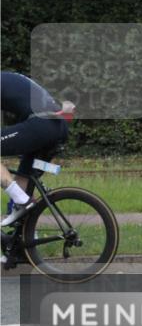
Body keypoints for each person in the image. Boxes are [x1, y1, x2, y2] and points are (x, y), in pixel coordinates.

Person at [1, 71, 73, 263]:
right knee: (23, 177)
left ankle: (23, 201)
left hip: (42, 125)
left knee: (20, 196)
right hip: (57, 127)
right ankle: (22, 245)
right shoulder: (12, 77)